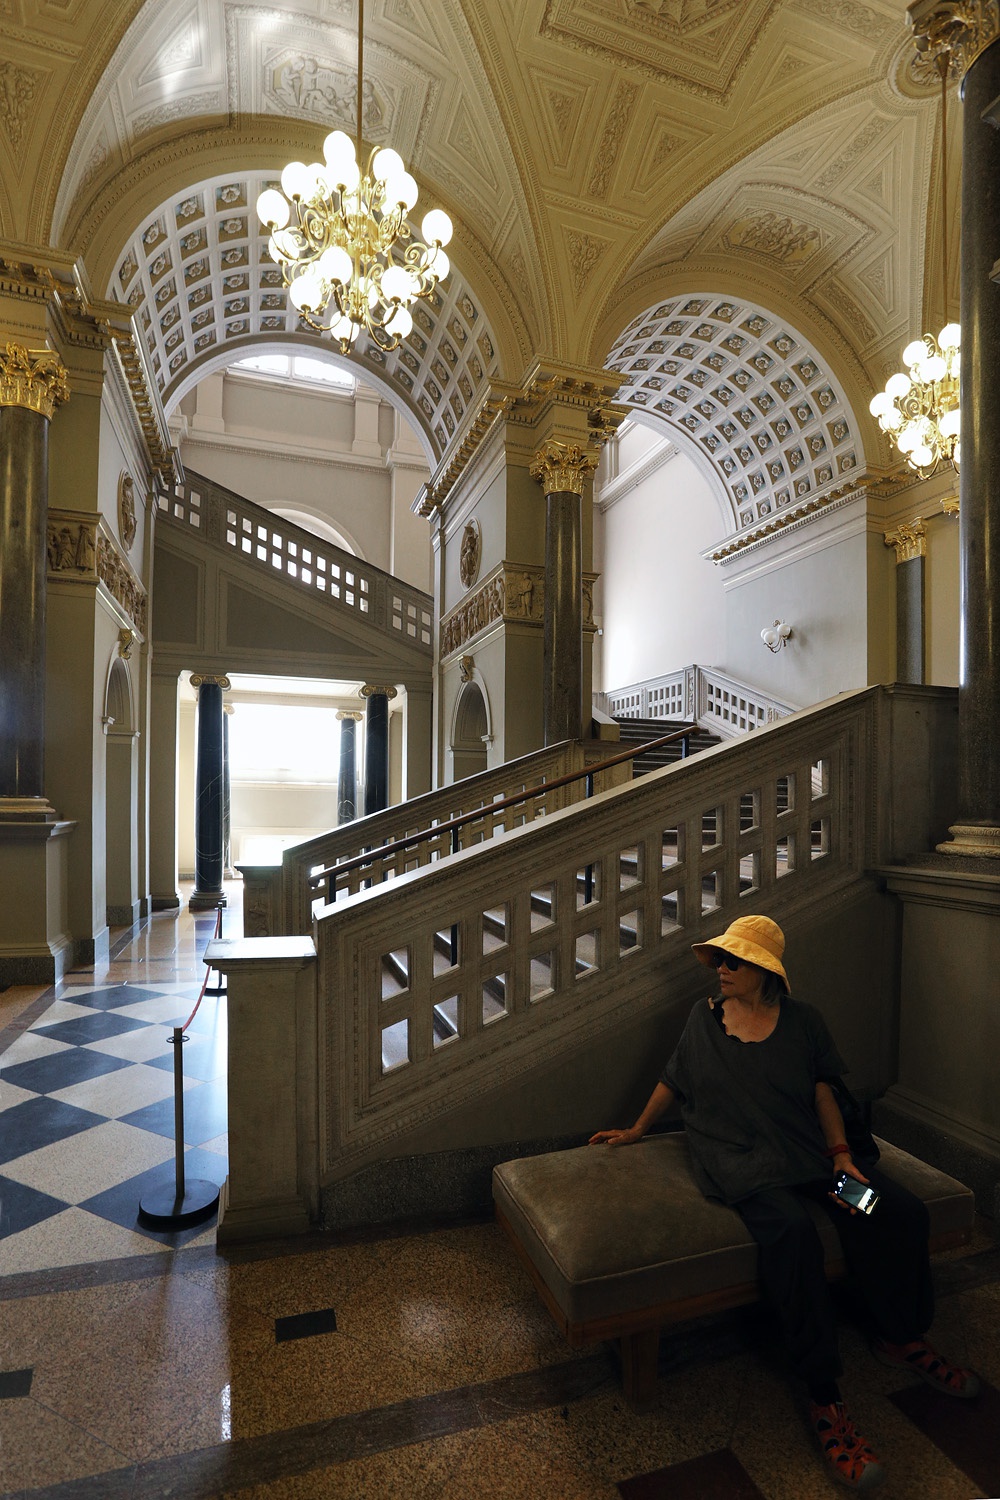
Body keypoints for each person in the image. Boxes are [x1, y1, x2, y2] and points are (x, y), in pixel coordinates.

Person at [589, 914, 980, 1493]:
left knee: (893, 1212)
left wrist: (842, 1156)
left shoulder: (804, 1023)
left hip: (812, 1161)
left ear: (764, 972)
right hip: (746, 1167)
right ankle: (826, 1398)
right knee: (792, 1236)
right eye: (720, 959)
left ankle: (900, 1336)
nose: (720, 969)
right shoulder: (705, 1020)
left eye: (733, 961)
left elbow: (824, 1091)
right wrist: (637, 1130)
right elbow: (675, 1078)